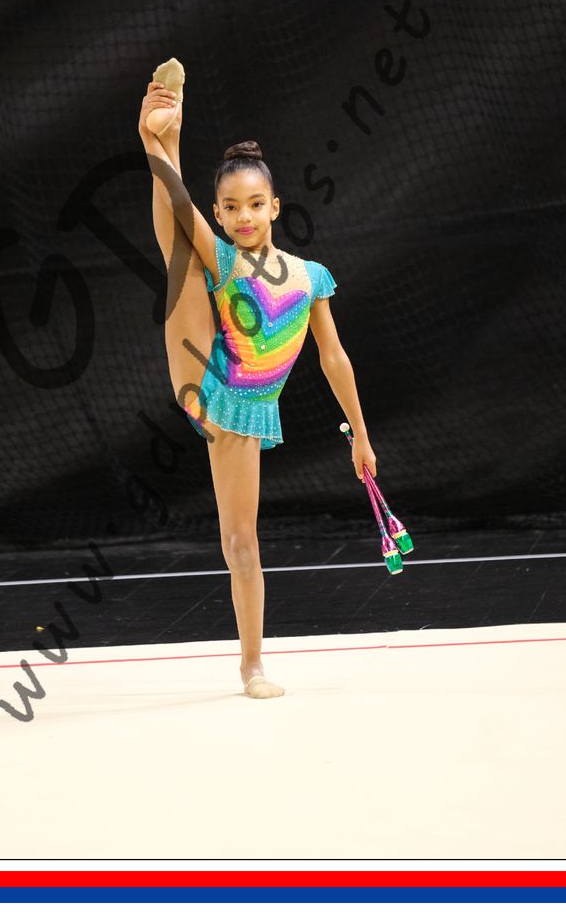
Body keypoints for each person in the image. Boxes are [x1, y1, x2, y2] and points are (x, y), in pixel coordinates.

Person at [138, 77, 377, 699]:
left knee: (242, 542)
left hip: (250, 408)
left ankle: (252, 665)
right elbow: (179, 211)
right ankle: (164, 137)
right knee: (180, 251)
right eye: (231, 208)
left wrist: (360, 435)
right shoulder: (224, 259)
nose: (243, 217)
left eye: (254, 204)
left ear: (274, 206)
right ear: (220, 214)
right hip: (209, 387)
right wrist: (151, 143)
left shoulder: (311, 276)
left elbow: (333, 357)